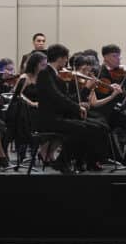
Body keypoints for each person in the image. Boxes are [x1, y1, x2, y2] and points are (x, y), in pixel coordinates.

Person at [35, 45, 104, 173]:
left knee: (93, 127)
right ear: (60, 58)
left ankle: (79, 161)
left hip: (59, 117)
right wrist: (78, 107)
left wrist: (86, 91)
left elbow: (68, 98)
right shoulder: (45, 73)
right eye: (65, 59)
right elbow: (57, 97)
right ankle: (63, 161)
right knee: (81, 128)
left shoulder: (56, 76)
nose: (66, 62)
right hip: (49, 119)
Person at [95, 45, 126, 166]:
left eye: (119, 56)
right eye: (115, 56)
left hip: (117, 112)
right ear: (105, 57)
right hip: (102, 112)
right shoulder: (99, 72)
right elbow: (99, 96)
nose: (119, 59)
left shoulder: (123, 73)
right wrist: (113, 90)